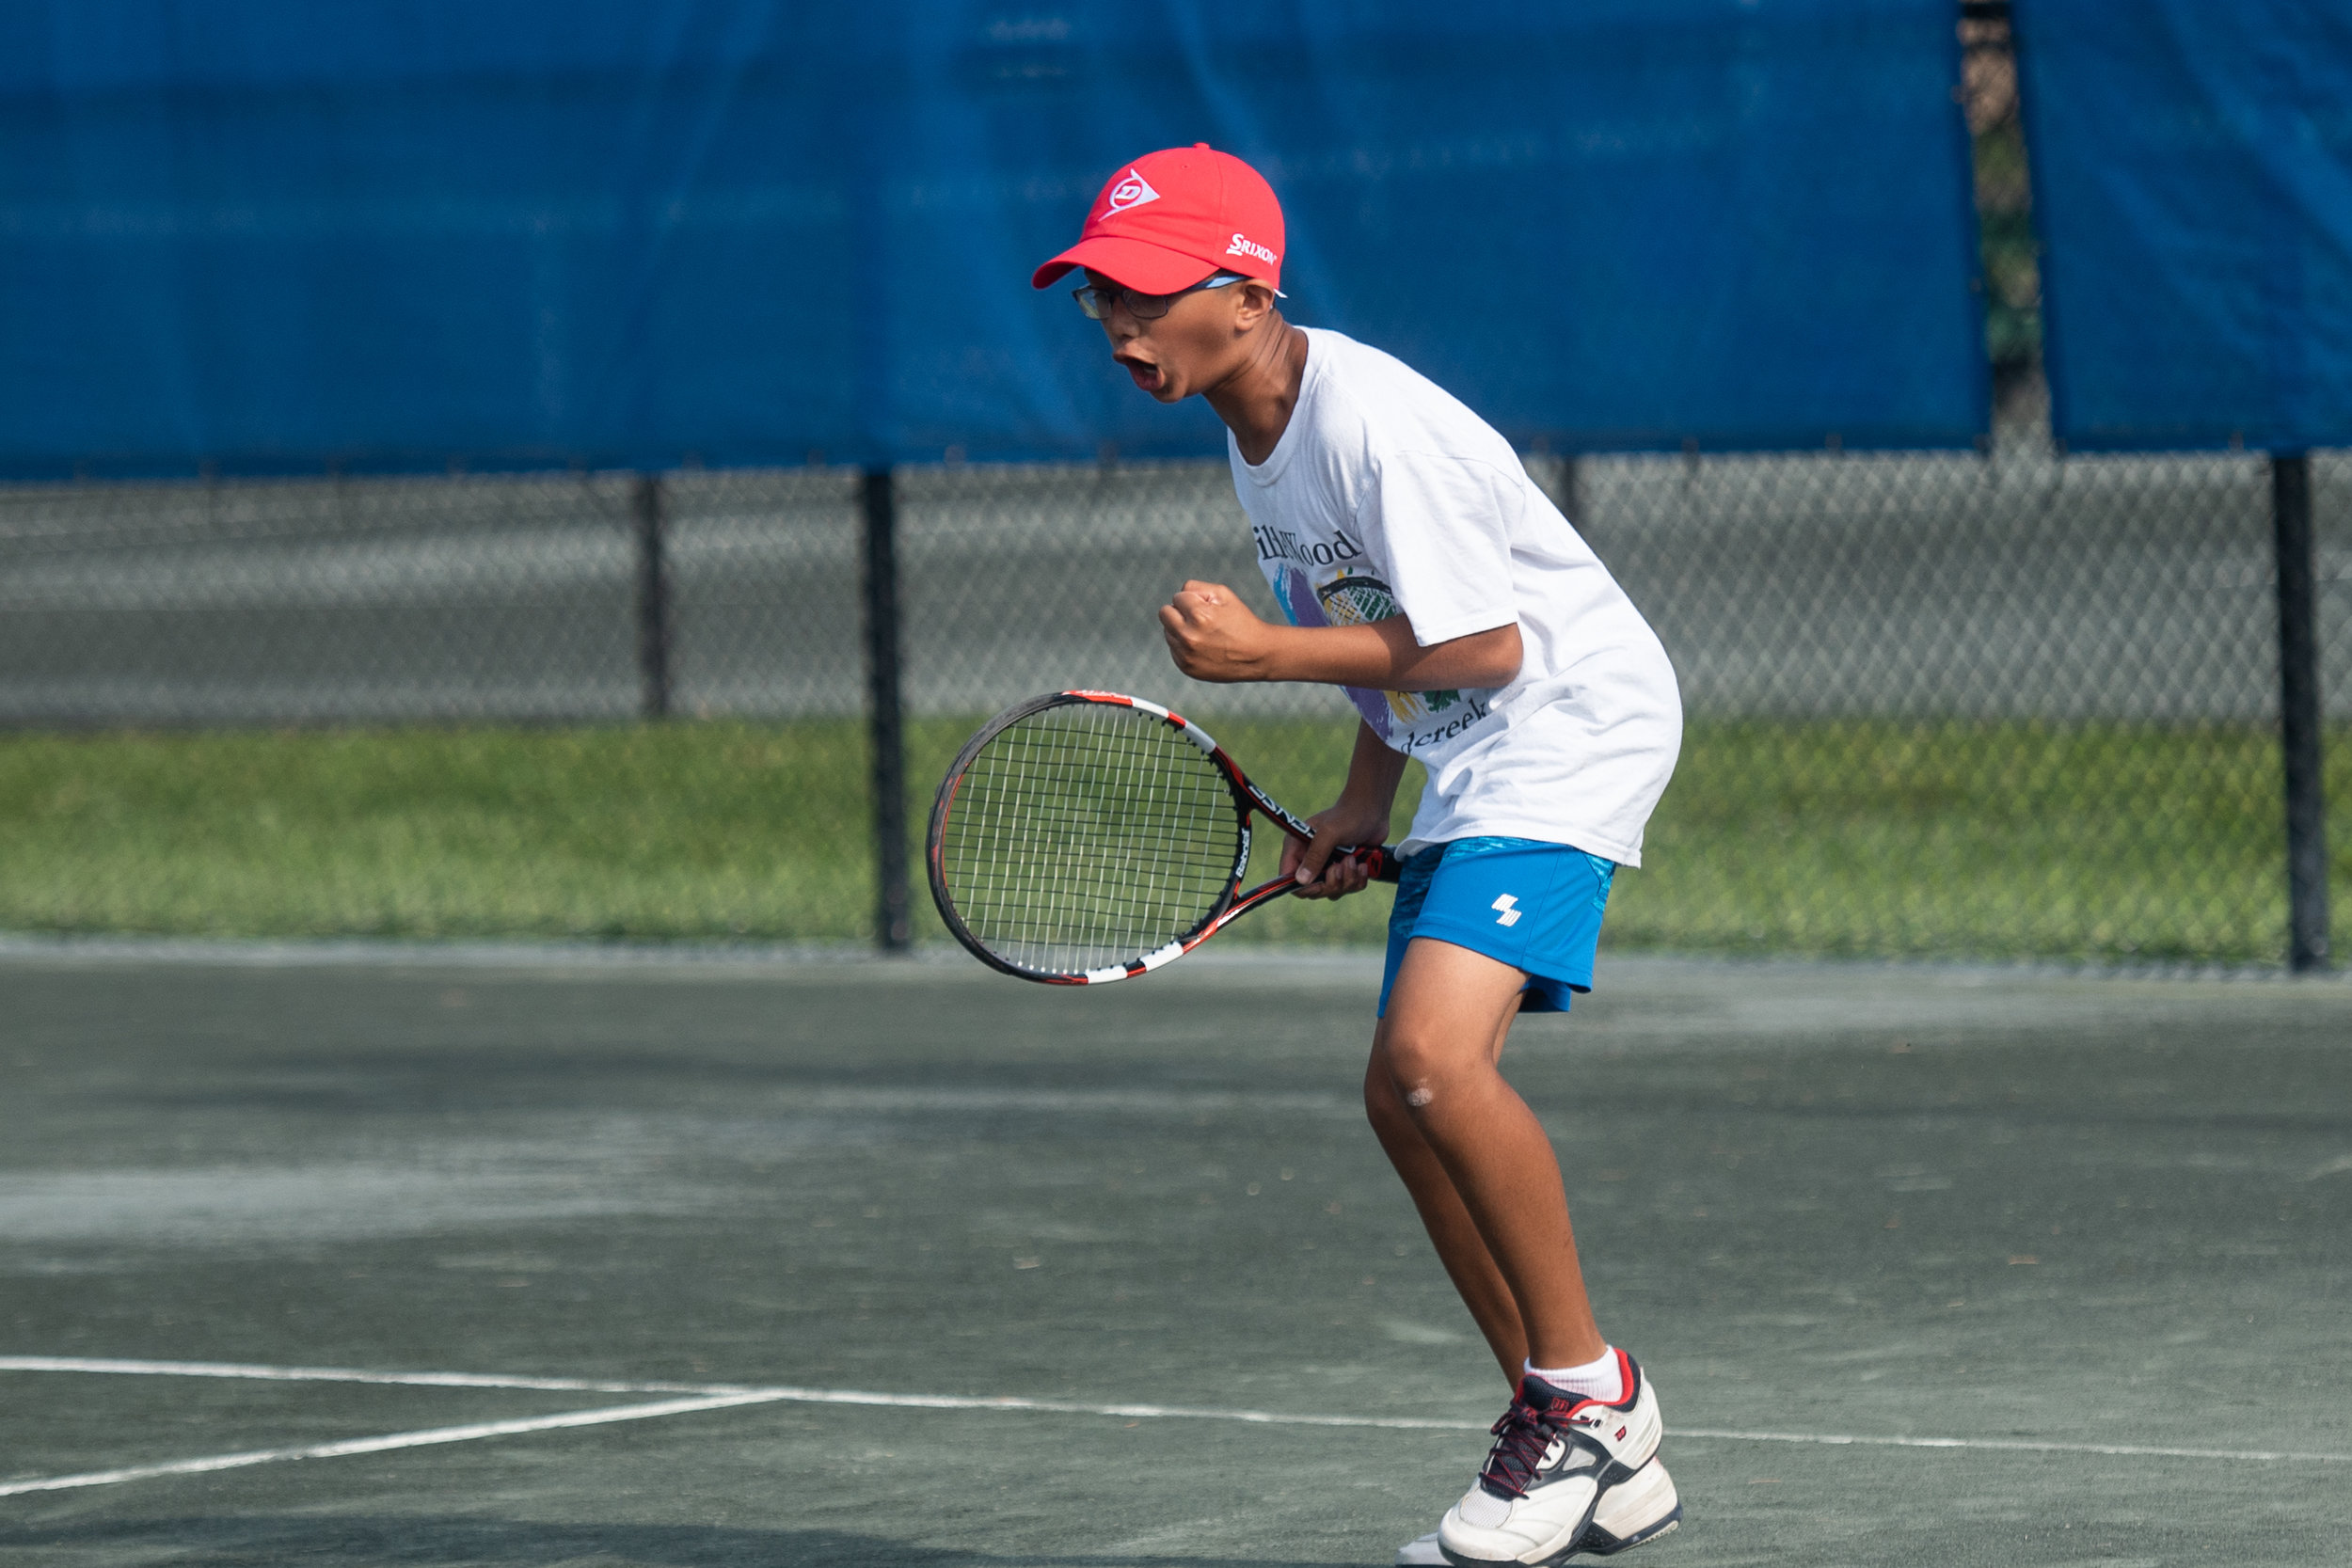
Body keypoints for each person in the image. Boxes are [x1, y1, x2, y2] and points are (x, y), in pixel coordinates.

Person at [1032, 145, 1686, 1567]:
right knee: (1401, 1098)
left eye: (1146, 297)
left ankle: (1590, 1397)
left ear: (1247, 291)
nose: (1123, 331)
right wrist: (1360, 797)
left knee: (1441, 1063)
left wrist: (1265, 657)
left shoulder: (1377, 424)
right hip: (1472, 745)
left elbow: (1485, 644)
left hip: (1568, 725)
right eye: (1101, 301)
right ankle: (1584, 1439)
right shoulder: (1251, 428)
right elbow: (1386, 633)